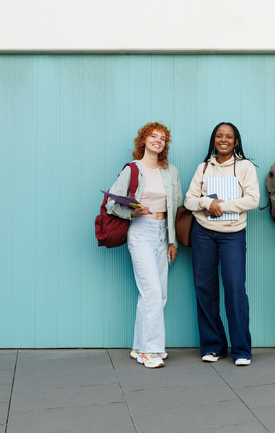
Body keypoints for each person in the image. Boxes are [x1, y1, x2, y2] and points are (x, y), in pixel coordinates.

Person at [105, 122, 183, 369]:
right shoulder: (132, 170)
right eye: (153, 136)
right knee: (151, 292)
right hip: (140, 233)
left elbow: (176, 209)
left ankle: (139, 347)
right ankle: (152, 350)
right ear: (144, 141)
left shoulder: (171, 171)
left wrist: (173, 241)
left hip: (163, 233)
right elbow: (111, 204)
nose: (158, 140)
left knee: (159, 294)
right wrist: (134, 214)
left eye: (162, 138)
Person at [184, 122, 260, 366]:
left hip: (232, 234)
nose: (224, 140)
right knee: (204, 289)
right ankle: (213, 346)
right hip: (202, 233)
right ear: (214, 139)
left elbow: (253, 199)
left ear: (236, 141)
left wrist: (221, 206)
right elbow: (188, 200)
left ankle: (241, 350)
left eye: (229, 136)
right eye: (219, 136)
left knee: (235, 288)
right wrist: (207, 203)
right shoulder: (204, 167)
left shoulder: (245, 166)